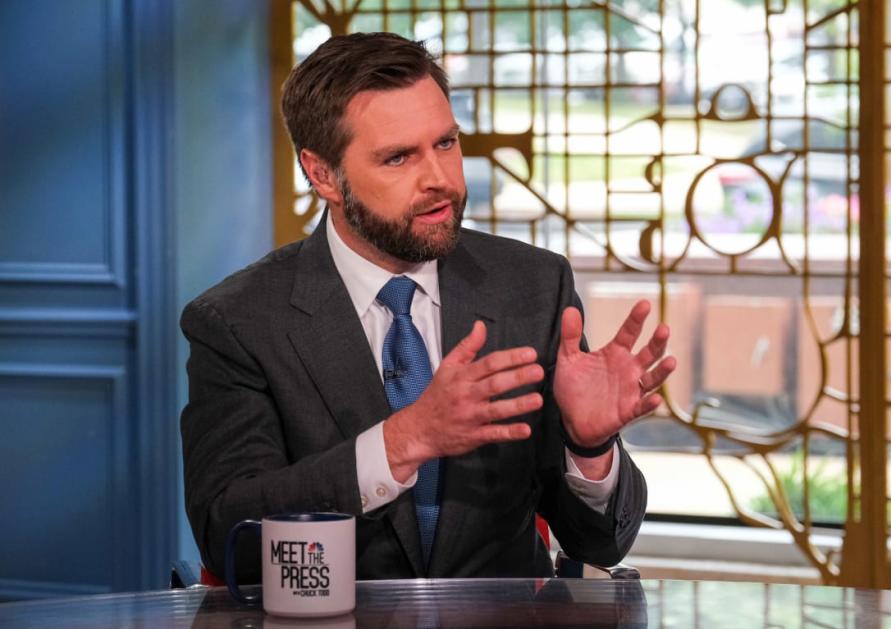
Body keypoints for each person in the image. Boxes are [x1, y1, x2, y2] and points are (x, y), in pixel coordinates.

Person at [180, 32, 676, 582]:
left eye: (445, 143)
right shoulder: (239, 322)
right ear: (323, 175)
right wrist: (400, 443)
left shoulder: (532, 286)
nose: (440, 180)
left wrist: (589, 447)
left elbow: (601, 545)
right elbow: (229, 534)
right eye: (398, 158)